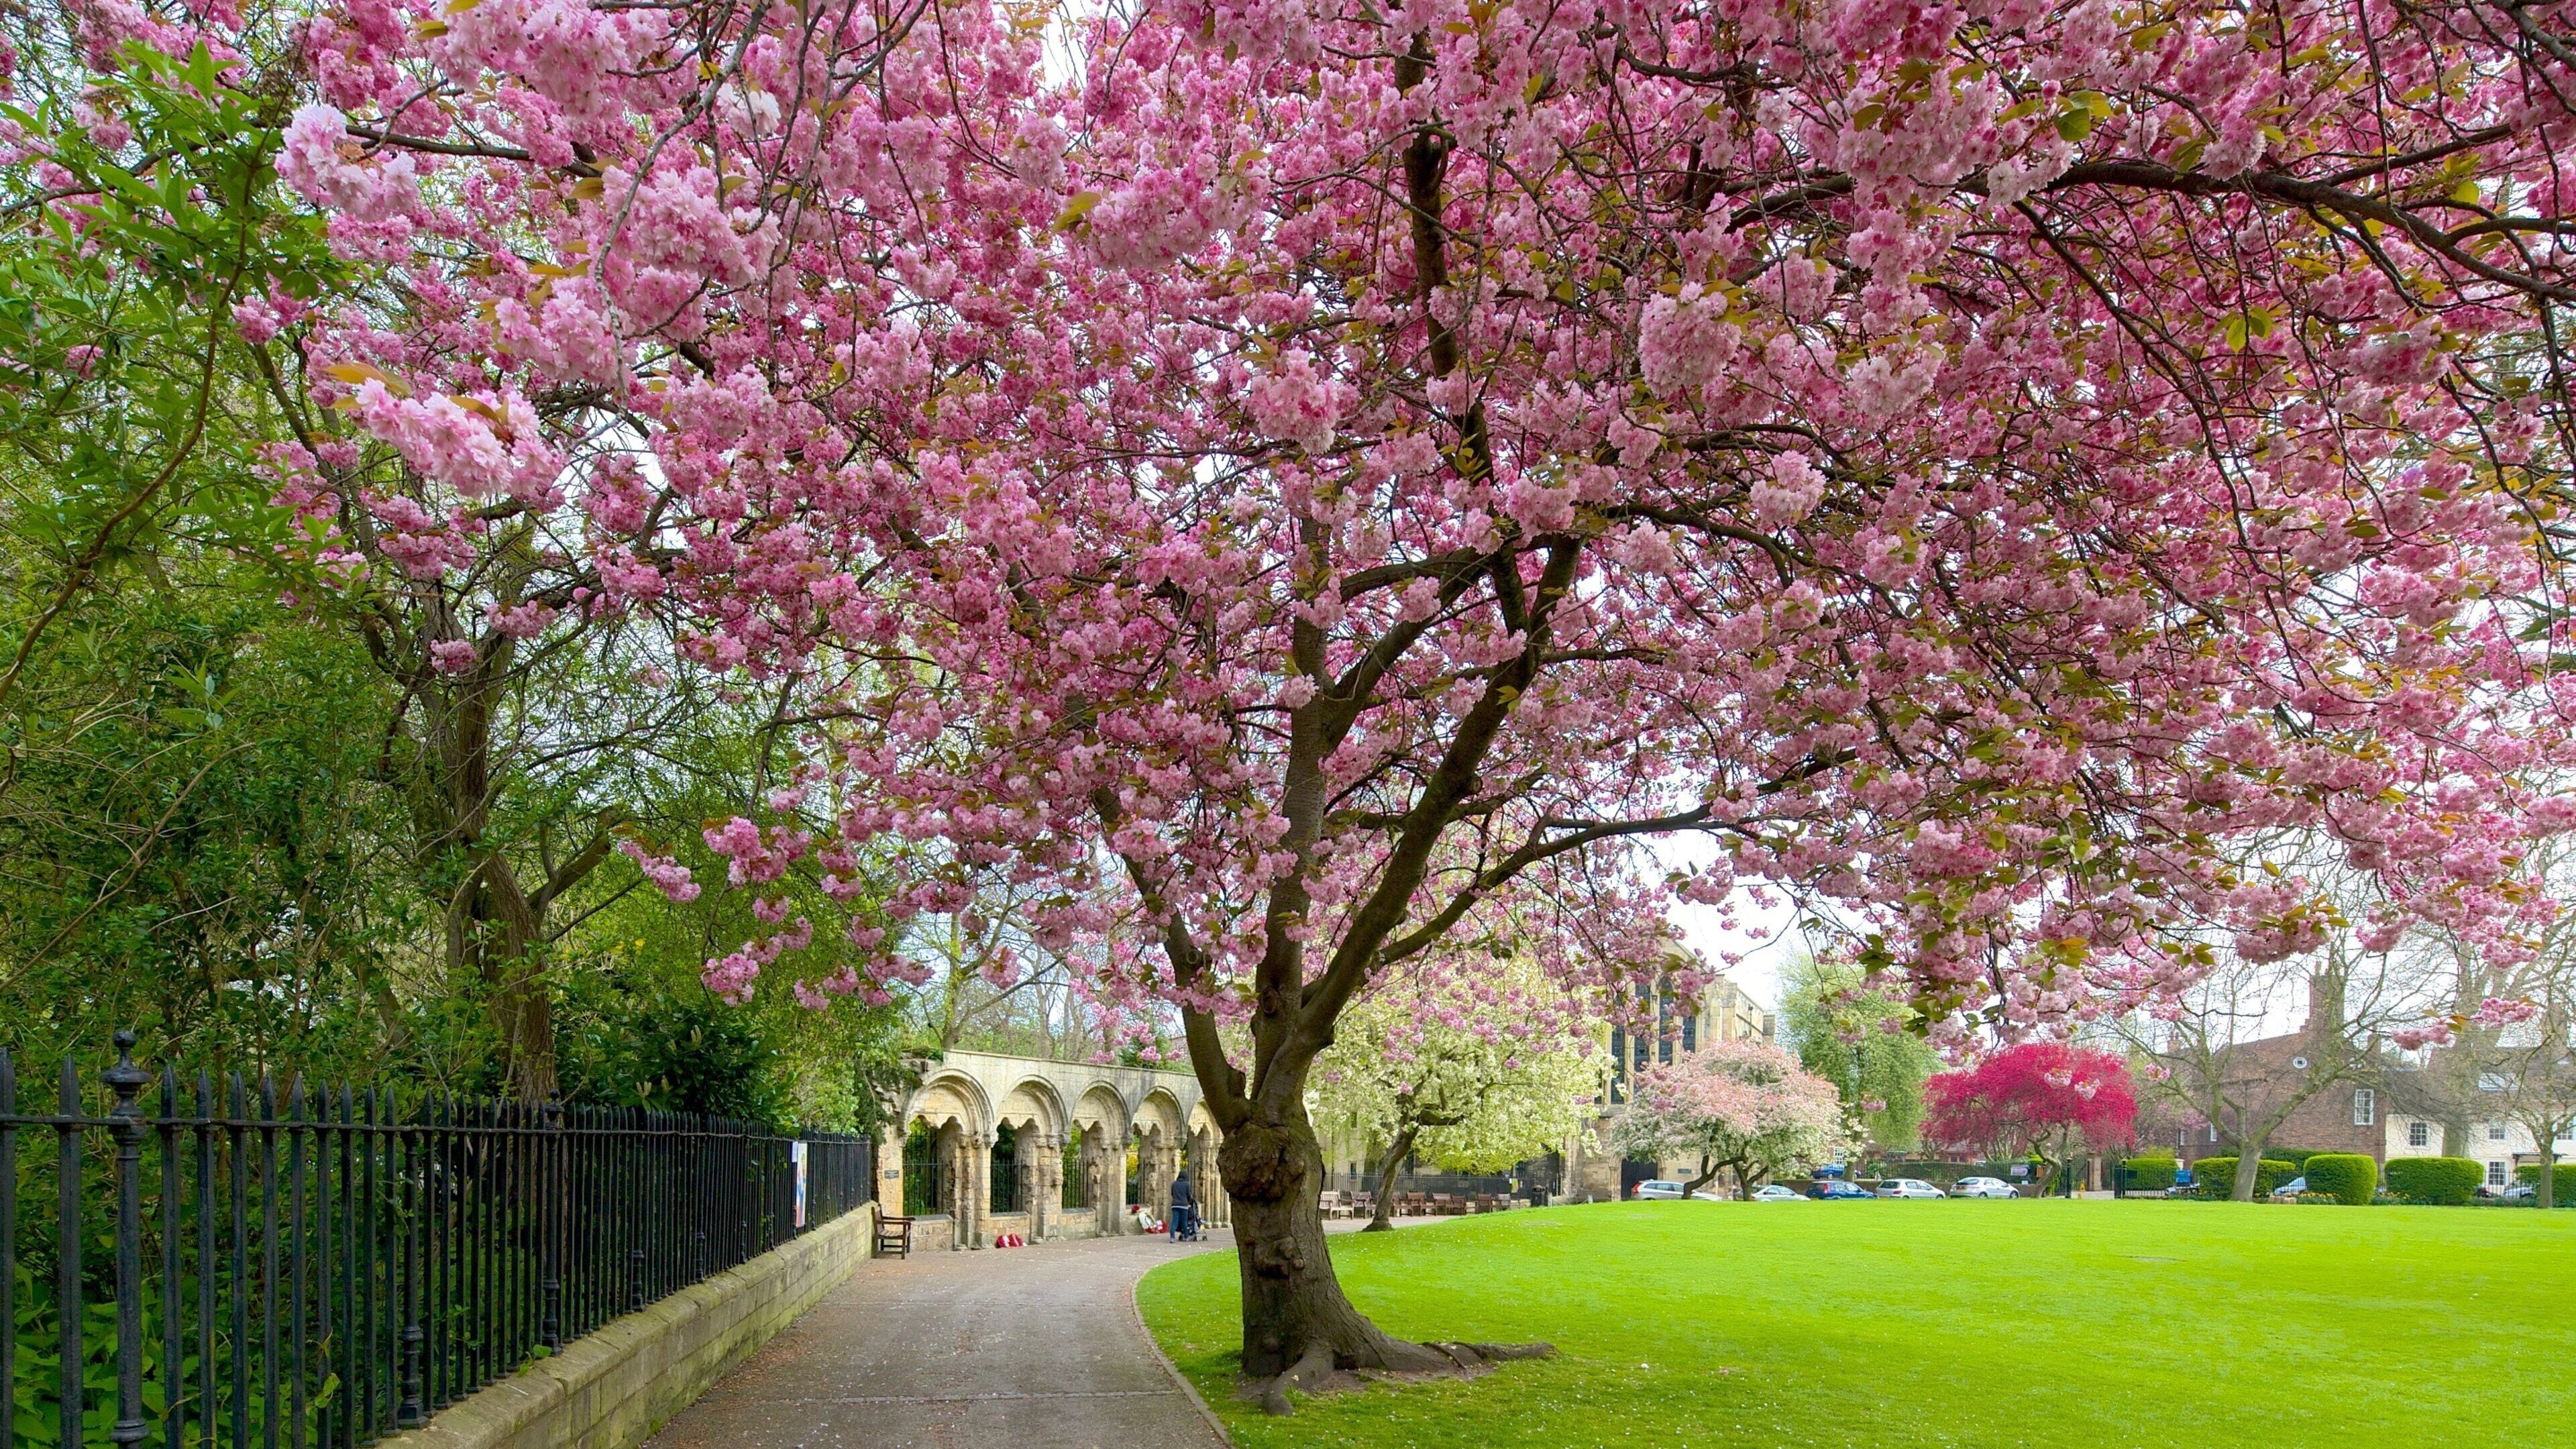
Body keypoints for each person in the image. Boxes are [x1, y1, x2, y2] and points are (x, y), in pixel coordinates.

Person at [1169, 1170, 1198, 1241]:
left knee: (1174, 1222)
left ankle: (1172, 1237)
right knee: (1184, 1222)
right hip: (1184, 1205)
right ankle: (1186, 1237)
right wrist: (1189, 1201)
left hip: (1175, 1205)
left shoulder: (1174, 1184)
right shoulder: (1187, 1184)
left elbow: (1172, 1194)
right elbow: (1189, 1195)